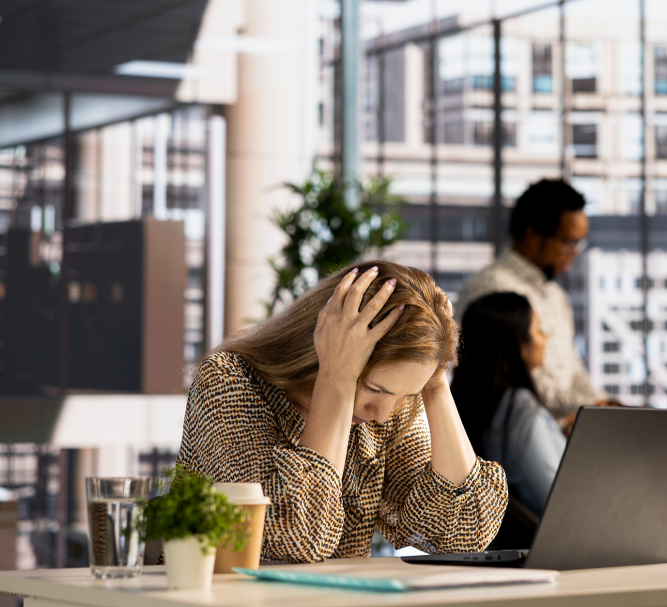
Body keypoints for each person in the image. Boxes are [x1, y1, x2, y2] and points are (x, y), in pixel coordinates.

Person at [177, 262, 508, 563]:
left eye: (403, 395)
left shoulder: (383, 415)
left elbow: (460, 538)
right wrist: (336, 376)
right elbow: (297, 539)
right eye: (376, 390)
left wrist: (434, 381)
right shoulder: (229, 379)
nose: (382, 414)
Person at [455, 178, 604, 421]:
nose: (575, 252)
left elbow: (573, 370)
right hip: (517, 443)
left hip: (561, 430)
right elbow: (519, 385)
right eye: (568, 242)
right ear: (532, 233)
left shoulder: (556, 296)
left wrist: (605, 403)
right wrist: (594, 408)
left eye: (579, 243)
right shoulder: (493, 290)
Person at [452, 292, 566, 517]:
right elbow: (561, 500)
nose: (545, 337)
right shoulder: (520, 408)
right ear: (519, 345)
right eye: (538, 329)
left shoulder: (478, 407)